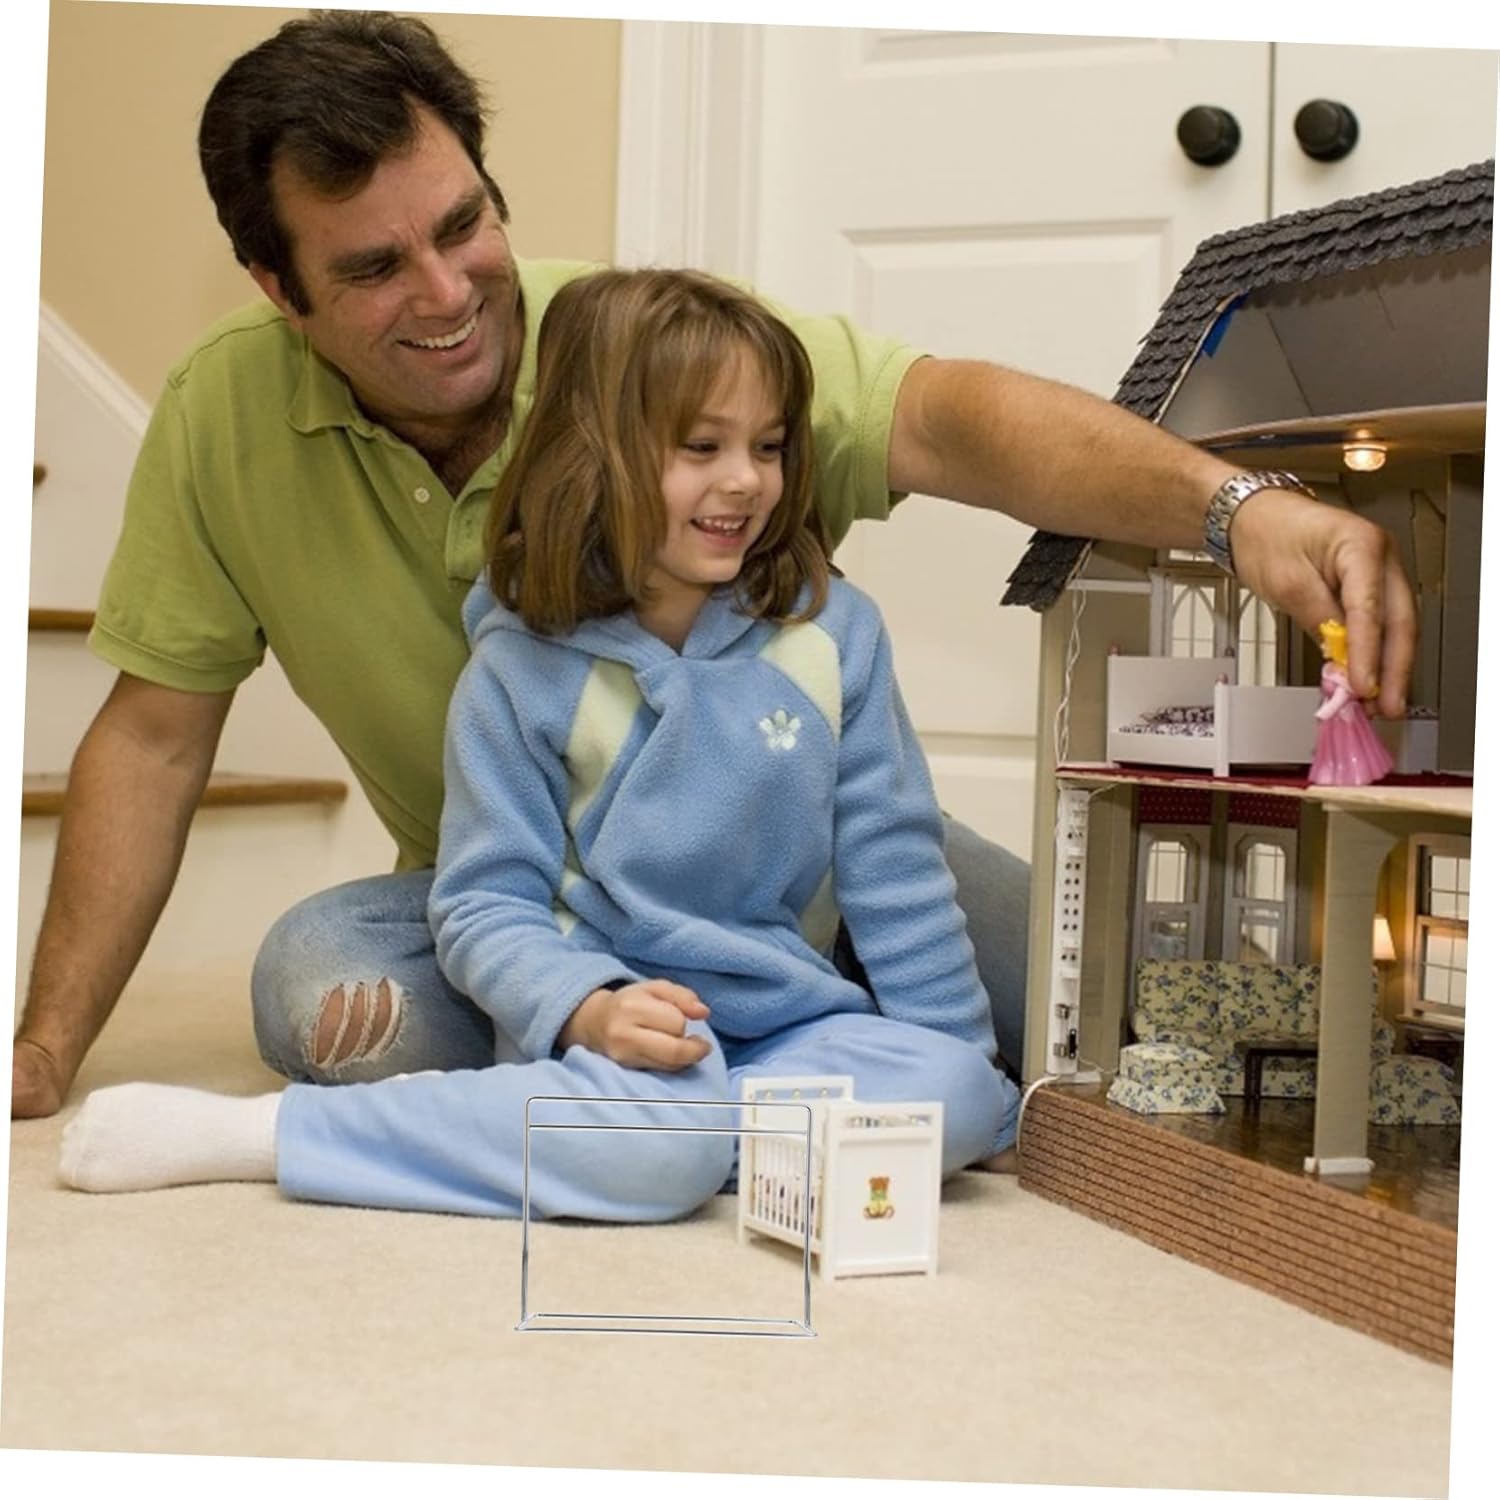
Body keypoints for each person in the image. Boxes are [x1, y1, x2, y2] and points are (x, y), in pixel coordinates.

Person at [12, 11, 1416, 1122]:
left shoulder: (647, 352)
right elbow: (153, 738)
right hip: (534, 899)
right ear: (279, 290)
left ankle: (726, 1057)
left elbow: (948, 417)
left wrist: (1235, 508)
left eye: (462, 226)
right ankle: (676, 1064)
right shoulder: (220, 417)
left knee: (1104, 1006)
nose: (445, 295)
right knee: (321, 999)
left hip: (799, 864)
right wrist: (44, 1047)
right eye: (375, 268)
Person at [59, 268, 1019, 1211]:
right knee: (662, 1140)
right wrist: (588, 1011)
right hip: (608, 1029)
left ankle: (641, 1140)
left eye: (768, 447)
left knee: (957, 1096)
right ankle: (275, 1137)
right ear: (595, 455)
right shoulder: (521, 671)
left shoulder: (836, 636)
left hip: (797, 1027)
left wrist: (966, 1072)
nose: (745, 480)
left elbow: (895, 869)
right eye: (702, 446)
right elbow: (484, 904)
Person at [1309, 619, 1395, 787]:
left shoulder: (1345, 674)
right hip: (1332, 718)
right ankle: (1330, 771)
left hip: (1344, 716)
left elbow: (1341, 697)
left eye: (1326, 643)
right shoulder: (1328, 668)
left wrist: (1324, 712)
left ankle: (1353, 772)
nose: (1323, 646)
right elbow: (1326, 694)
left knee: (1346, 745)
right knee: (1330, 747)